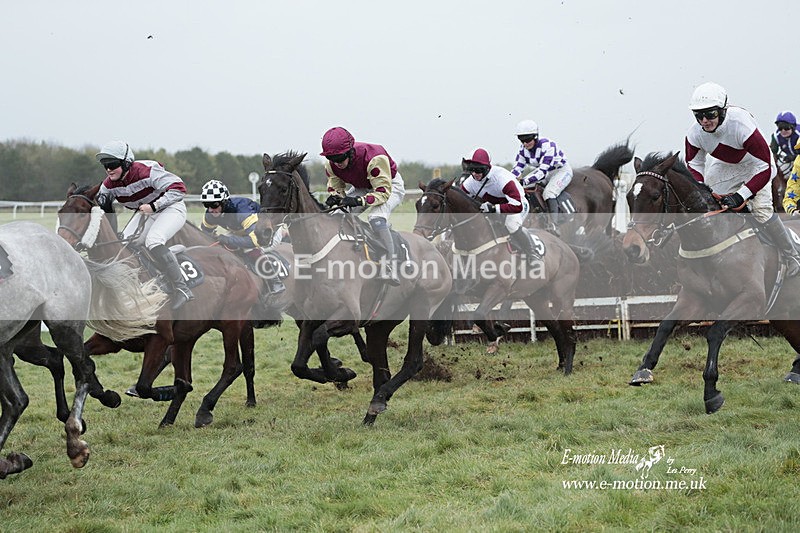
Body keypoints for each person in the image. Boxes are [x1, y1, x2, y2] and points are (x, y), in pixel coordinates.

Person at [685, 82, 800, 277]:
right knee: (711, 206)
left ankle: (792, 255)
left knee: (761, 211)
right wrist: (702, 189)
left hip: (758, 164)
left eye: (710, 114)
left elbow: (766, 167)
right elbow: (694, 165)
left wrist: (742, 195)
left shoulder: (740, 125)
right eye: (699, 116)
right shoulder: (694, 134)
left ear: (722, 111)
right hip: (725, 165)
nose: (704, 121)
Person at [95, 140, 194, 309]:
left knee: (153, 240)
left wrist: (154, 206)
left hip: (171, 208)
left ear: (126, 164)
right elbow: (105, 210)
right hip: (145, 213)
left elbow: (179, 188)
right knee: (123, 245)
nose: (109, 169)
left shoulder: (146, 171)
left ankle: (181, 288)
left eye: (112, 164)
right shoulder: (108, 185)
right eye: (105, 165)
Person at [321, 126, 405, 286]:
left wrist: (358, 201)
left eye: (340, 157)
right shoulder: (331, 164)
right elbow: (336, 187)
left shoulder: (375, 157)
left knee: (376, 218)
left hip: (390, 186)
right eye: (332, 158)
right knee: (335, 215)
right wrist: (336, 197)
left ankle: (391, 265)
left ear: (350, 151)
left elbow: (382, 192)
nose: (337, 163)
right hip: (362, 187)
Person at [199, 179, 285, 295]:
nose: (211, 209)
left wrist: (228, 240)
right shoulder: (211, 214)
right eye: (207, 205)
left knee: (247, 248)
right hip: (242, 231)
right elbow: (205, 233)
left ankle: (274, 281)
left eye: (214, 204)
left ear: (224, 202)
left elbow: (255, 241)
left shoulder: (241, 212)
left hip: (265, 234)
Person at [460, 148, 540, 263]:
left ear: (487, 168)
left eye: (478, 170)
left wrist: (494, 208)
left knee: (511, 225)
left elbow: (517, 206)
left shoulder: (502, 179)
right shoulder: (470, 182)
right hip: (495, 205)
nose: (474, 174)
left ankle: (532, 253)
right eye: (471, 170)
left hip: (517, 204)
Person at [510, 119, 573, 236]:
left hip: (560, 171)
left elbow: (542, 172)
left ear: (535, 136)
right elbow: (518, 168)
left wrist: (524, 181)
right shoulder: (522, 150)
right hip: (545, 171)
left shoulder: (548, 146)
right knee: (522, 188)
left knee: (548, 193)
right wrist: (510, 180)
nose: (524, 143)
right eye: (521, 140)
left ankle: (554, 225)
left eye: (527, 140)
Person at [770, 111, 799, 177]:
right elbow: (772, 152)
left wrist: (794, 157)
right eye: (780, 128)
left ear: (793, 127)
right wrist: (774, 156)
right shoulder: (776, 136)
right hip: (790, 161)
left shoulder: (798, 134)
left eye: (786, 127)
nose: (783, 131)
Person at [781, 142, 800, 215]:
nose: (783, 130)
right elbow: (793, 188)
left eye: (786, 129)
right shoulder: (798, 163)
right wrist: (792, 209)